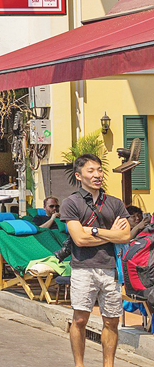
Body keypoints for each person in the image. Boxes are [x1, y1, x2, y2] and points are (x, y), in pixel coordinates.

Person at [62, 154, 130, 367]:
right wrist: (111, 234)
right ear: (78, 176)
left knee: (111, 321)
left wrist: (93, 231)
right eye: (91, 171)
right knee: (80, 319)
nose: (97, 175)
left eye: (99, 170)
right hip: (83, 268)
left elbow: (125, 236)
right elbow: (79, 240)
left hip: (111, 268)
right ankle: (79, 364)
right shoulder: (71, 203)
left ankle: (108, 365)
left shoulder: (114, 203)